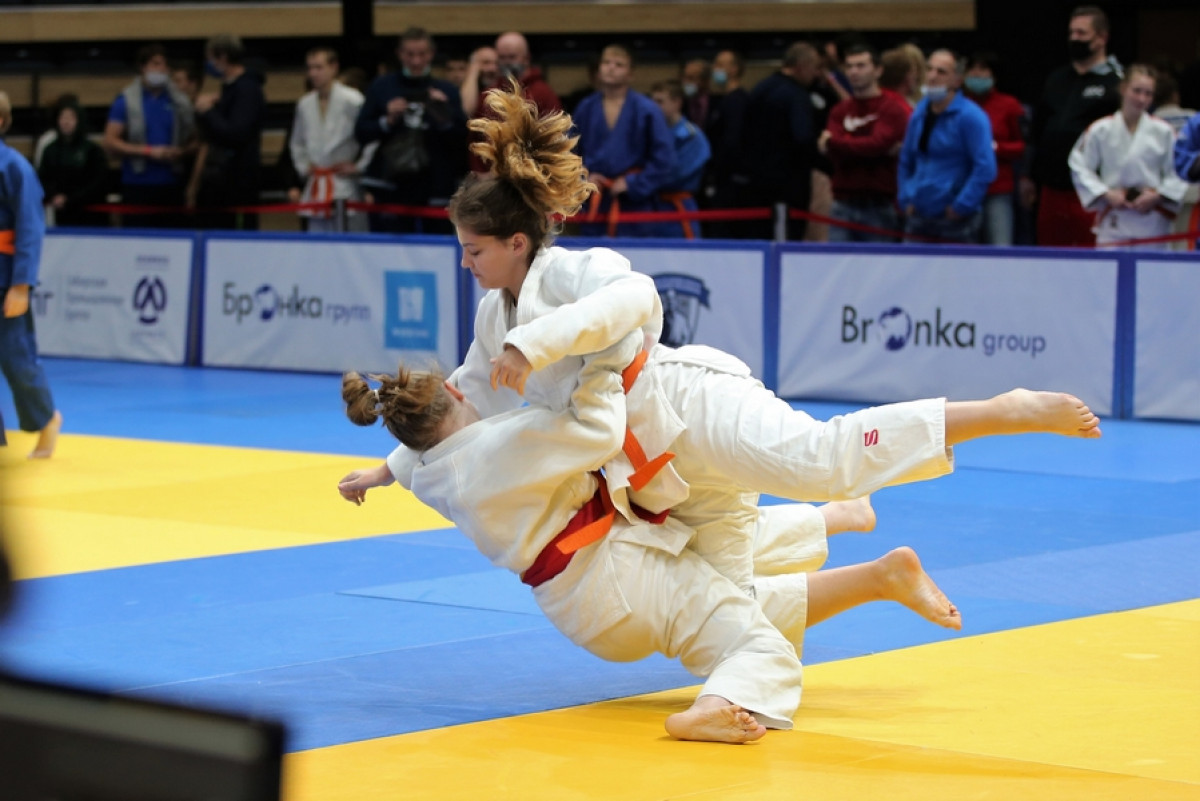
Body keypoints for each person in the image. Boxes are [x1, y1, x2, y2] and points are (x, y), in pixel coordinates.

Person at [369, 85, 1104, 599]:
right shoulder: (494, 318)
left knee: (823, 459)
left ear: (517, 241)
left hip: (688, 403)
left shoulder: (572, 272)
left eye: (474, 251)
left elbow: (637, 299)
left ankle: (1003, 408)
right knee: (713, 595)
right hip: (654, 467)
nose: (466, 265)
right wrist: (395, 466)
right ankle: (863, 578)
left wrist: (534, 344)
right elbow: (463, 397)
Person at [337, 358, 965, 744]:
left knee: (722, 580)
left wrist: (378, 473)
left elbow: (416, 455)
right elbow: (598, 427)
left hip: (591, 595)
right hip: (617, 577)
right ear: (457, 397)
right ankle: (715, 706)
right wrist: (605, 370)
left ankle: (870, 564)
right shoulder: (508, 444)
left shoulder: (432, 471)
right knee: (753, 642)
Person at [1025, 6, 1123, 247]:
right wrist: (1028, 175)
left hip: (1091, 192)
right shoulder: (1056, 78)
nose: (1074, 39)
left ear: (1102, 38)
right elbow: (1038, 130)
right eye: (1071, 33)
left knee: (1092, 258)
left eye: (1081, 33)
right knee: (1050, 257)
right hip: (1051, 189)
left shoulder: (1116, 83)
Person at [355, 27, 467, 234]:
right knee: (390, 248)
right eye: (410, 54)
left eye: (422, 54)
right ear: (400, 54)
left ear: (431, 54)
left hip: (435, 185)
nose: (416, 61)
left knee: (436, 248)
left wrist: (444, 117)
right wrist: (387, 121)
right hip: (391, 185)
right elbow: (361, 132)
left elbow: (463, 142)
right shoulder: (382, 87)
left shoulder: (447, 91)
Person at [0, 92, 63, 459]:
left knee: (16, 358)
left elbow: (30, 229)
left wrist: (21, 285)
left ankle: (47, 418)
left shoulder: (15, 167)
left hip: (5, 278)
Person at [1068, 64, 1189, 250]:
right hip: (1114, 216)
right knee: (1110, 267)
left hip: (1152, 220)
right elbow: (1078, 164)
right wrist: (1104, 193)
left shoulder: (1163, 131)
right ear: (1123, 89)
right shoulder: (1100, 129)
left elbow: (1179, 170)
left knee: (1151, 267)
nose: (1142, 98)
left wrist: (1159, 195)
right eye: (1137, 91)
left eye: (1148, 93)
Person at [573, 44, 676, 238]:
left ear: (631, 74)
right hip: (595, 201)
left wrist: (634, 183)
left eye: (619, 64)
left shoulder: (647, 110)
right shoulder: (585, 108)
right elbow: (569, 153)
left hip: (635, 206)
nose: (611, 68)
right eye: (606, 62)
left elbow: (664, 159)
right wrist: (584, 177)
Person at [897, 49, 997, 244]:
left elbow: (985, 167)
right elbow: (906, 159)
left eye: (941, 72)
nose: (932, 76)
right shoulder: (920, 112)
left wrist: (961, 206)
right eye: (929, 69)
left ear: (957, 80)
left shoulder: (971, 116)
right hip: (918, 214)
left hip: (954, 218)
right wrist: (905, 198)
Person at [819, 43, 911, 243]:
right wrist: (867, 147)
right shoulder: (839, 110)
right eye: (849, 66)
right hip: (842, 202)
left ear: (878, 70)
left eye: (861, 66)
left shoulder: (891, 109)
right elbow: (837, 152)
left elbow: (876, 144)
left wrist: (837, 142)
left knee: (878, 263)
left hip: (878, 204)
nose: (854, 72)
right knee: (838, 261)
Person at [102, 43, 197, 229]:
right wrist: (148, 151)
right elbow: (110, 142)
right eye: (155, 64)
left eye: (164, 65)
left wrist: (181, 152)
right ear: (143, 67)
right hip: (138, 184)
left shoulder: (179, 101)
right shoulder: (126, 100)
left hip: (171, 184)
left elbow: (195, 139)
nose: (161, 69)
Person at [287, 46, 376, 233]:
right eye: (310, 68)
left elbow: (372, 137)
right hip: (317, 182)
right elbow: (297, 143)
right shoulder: (304, 104)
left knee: (351, 241)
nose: (313, 73)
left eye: (319, 67)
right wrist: (303, 166)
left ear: (334, 67)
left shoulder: (352, 99)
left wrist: (359, 166)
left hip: (345, 183)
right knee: (317, 243)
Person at [740, 42, 822, 240]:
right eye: (814, 67)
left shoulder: (760, 87)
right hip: (787, 187)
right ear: (801, 66)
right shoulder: (797, 95)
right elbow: (803, 138)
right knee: (784, 242)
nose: (816, 74)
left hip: (755, 183)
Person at [193, 34, 266, 231]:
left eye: (211, 58)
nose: (209, 64)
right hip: (223, 179)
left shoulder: (246, 89)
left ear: (223, 57)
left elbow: (236, 133)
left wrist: (209, 112)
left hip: (239, 180)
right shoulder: (230, 88)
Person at [962, 52, 1026, 246]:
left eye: (983, 69)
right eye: (972, 69)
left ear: (993, 74)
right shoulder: (957, 104)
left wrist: (995, 147)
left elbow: (1022, 146)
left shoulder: (1009, 105)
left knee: (1000, 245)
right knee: (963, 250)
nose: (977, 73)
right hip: (962, 189)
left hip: (997, 189)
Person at [650, 79, 711, 238]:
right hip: (650, 207)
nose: (654, 107)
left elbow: (672, 175)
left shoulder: (692, 137)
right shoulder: (649, 133)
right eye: (652, 101)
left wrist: (636, 181)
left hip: (679, 209)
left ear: (677, 103)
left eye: (660, 101)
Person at [37, 95, 110, 228]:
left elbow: (98, 182)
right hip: (61, 213)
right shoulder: (50, 149)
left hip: (89, 215)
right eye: (63, 118)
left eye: (71, 118)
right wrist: (54, 196)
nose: (66, 122)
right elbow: (43, 177)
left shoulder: (92, 150)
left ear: (79, 120)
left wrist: (70, 199)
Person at [702, 49, 753, 238]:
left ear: (734, 69)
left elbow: (732, 143)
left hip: (731, 184)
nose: (714, 69)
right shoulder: (723, 101)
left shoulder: (738, 102)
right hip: (722, 180)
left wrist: (719, 173)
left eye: (720, 65)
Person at [458, 46, 499, 118]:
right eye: (486, 63)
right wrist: (473, 73)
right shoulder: (463, 85)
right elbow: (466, 112)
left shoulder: (502, 85)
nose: (492, 68)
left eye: (496, 63)